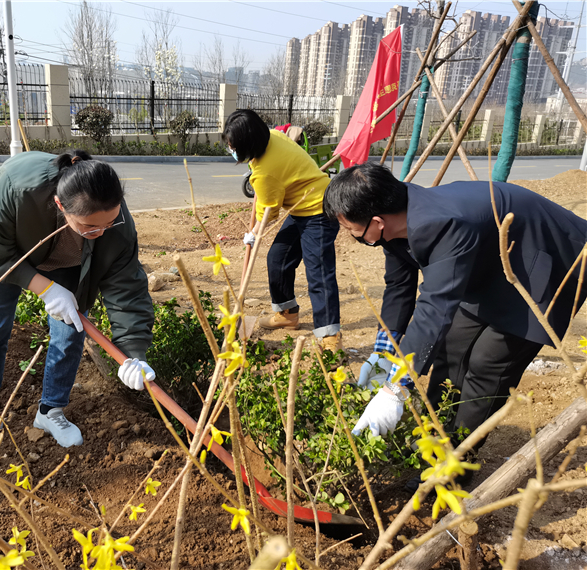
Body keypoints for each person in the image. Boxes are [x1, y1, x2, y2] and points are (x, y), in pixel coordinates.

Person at [324, 162, 586, 486]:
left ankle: (455, 468)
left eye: (351, 230)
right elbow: (399, 284)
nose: (351, 236)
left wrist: (396, 389)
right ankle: (433, 452)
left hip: (547, 262)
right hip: (492, 263)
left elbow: (435, 307)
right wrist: (383, 351)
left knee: (488, 365)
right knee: (451, 349)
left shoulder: (442, 222)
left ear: (377, 222)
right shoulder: (395, 216)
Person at [0, 150, 155, 467]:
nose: (101, 232)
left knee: (71, 333)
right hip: (3, 253)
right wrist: (42, 287)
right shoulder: (16, 188)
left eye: (109, 223)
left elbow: (126, 287)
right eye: (90, 227)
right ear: (59, 205)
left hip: (65, 262)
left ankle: (50, 411)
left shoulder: (114, 223)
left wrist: (134, 351)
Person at [222, 109, 343, 352]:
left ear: (249, 143)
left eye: (234, 146)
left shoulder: (265, 172)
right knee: (278, 259)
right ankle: (287, 314)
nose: (231, 149)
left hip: (319, 210)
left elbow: (269, 213)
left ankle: (330, 336)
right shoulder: (271, 136)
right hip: (300, 208)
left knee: (319, 273)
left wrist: (254, 234)